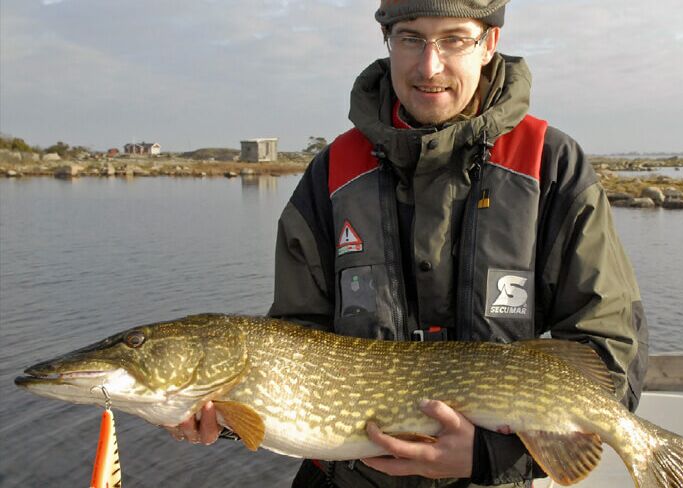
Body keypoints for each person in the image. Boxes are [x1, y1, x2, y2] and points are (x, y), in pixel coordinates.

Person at [171, 1, 649, 487]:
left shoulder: (549, 164)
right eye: (411, 38)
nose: (429, 65)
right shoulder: (332, 172)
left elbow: (608, 349)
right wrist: (224, 414)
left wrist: (491, 455)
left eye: (454, 39)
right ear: (387, 41)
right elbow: (294, 340)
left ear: (489, 45)